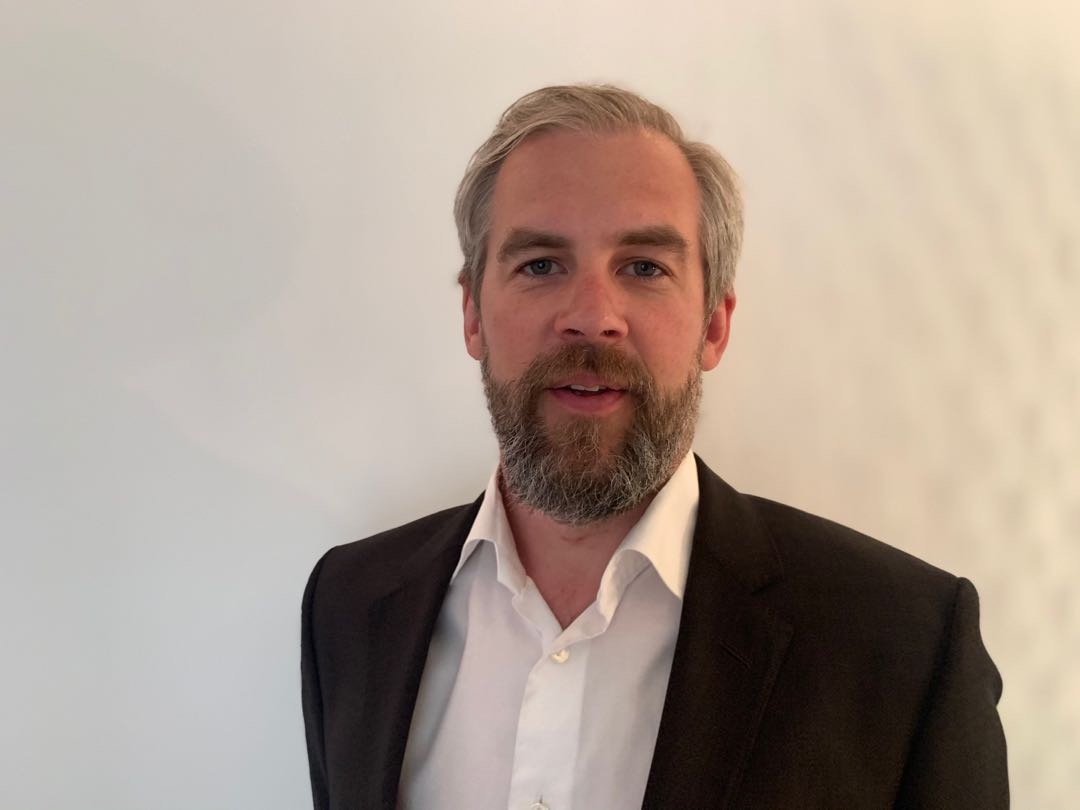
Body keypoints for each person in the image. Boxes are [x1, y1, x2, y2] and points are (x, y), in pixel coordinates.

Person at [301, 84, 1008, 810]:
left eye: (644, 267)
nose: (591, 317)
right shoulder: (349, 607)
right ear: (472, 315)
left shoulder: (903, 645)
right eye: (540, 264)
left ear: (714, 326)